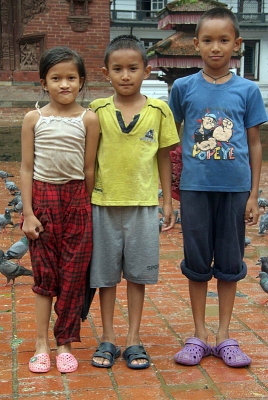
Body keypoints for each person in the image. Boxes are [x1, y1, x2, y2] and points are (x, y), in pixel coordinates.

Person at [169, 7, 267, 368]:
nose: (215, 47)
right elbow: (172, 137)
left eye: (223, 40)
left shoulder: (247, 90)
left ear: (236, 44)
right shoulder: (182, 88)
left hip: (235, 189)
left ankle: (225, 334)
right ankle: (199, 334)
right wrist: (170, 189)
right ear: (196, 44)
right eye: (207, 40)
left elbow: (255, 144)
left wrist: (254, 194)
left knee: (229, 261)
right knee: (197, 262)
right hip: (195, 188)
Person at [86, 35, 179, 369]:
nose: (125, 75)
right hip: (103, 205)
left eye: (133, 68)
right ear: (105, 73)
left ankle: (134, 339)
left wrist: (167, 201)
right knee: (105, 276)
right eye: (118, 69)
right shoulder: (96, 111)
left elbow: (164, 159)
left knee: (137, 275)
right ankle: (108, 337)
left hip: (143, 206)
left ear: (147, 70)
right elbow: (88, 160)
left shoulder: (159, 111)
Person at [20, 46, 100, 373]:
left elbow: (90, 168)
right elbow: (26, 168)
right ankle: (41, 343)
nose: (64, 84)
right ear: (44, 82)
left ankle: (64, 342)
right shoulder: (33, 119)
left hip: (77, 198)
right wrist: (27, 213)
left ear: (82, 81)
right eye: (56, 78)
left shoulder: (89, 118)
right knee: (44, 275)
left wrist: (85, 204)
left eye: (71, 77)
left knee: (73, 275)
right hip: (42, 198)